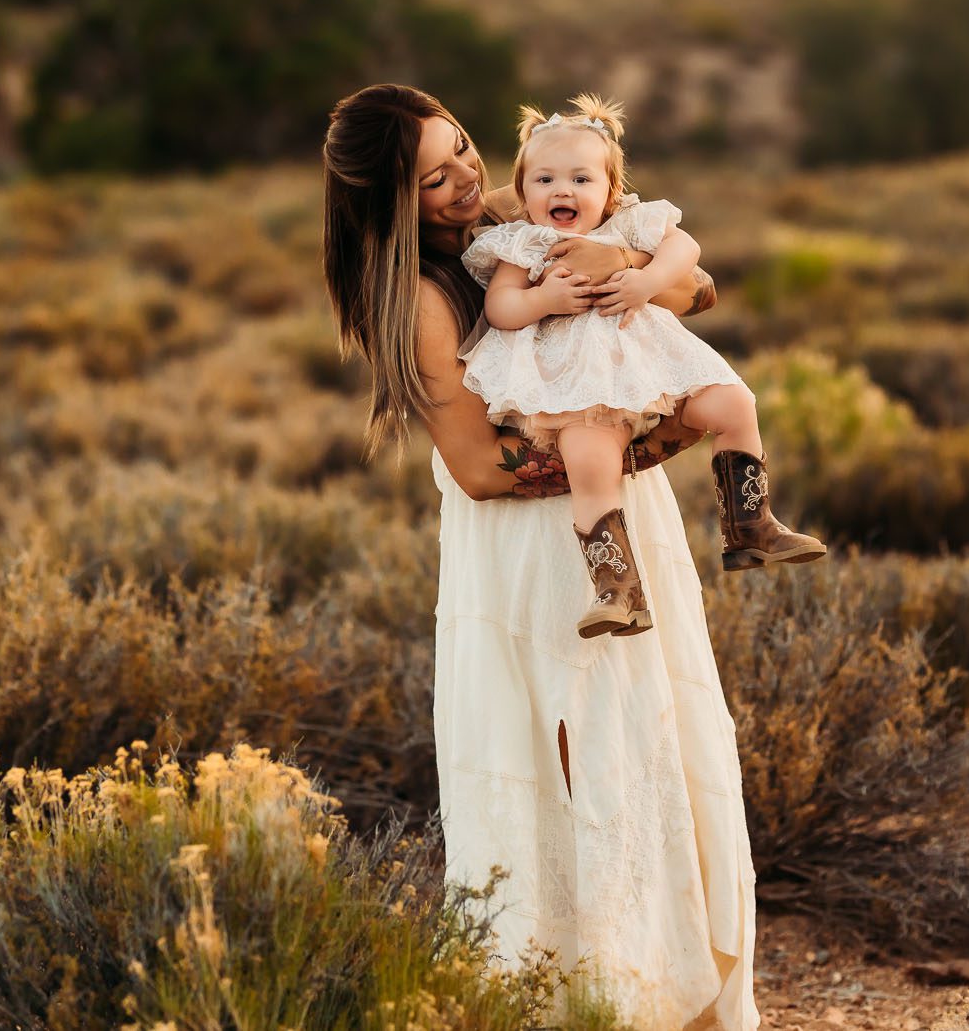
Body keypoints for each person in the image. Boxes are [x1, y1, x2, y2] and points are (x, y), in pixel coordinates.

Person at [322, 83, 763, 1030]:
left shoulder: (524, 218)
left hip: (609, 507)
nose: (464, 180)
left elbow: (701, 289)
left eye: (464, 152)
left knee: (651, 732)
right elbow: (482, 468)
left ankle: (668, 974)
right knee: (573, 747)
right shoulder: (413, 295)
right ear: (390, 200)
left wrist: (628, 265)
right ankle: (579, 991)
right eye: (435, 177)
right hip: (532, 543)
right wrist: (656, 434)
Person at [459, 93, 825, 640]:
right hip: (576, 386)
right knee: (590, 463)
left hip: (654, 367)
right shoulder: (522, 243)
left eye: (582, 179)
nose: (563, 190)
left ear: (610, 189)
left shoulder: (628, 225)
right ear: (522, 191)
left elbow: (687, 249)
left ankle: (749, 525)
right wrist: (542, 302)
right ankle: (616, 589)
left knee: (735, 404)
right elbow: (500, 307)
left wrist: (646, 281)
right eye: (545, 180)